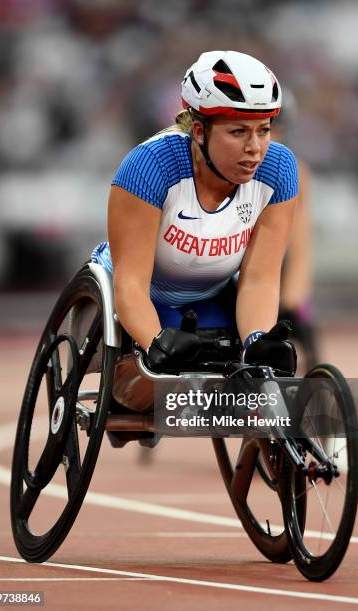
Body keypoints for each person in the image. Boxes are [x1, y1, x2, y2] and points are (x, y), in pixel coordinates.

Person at [92, 50, 298, 433]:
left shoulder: (279, 169)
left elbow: (260, 280)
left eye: (264, 129)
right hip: (144, 297)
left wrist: (255, 341)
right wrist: (155, 341)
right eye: (238, 132)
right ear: (199, 131)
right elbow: (131, 281)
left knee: (262, 378)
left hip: (212, 297)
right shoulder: (149, 166)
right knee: (154, 385)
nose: (255, 148)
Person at [271, 89, 319, 369]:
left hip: (278, 273)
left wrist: (293, 298)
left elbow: (300, 241)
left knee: (305, 353)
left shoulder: (295, 172)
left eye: (272, 129)